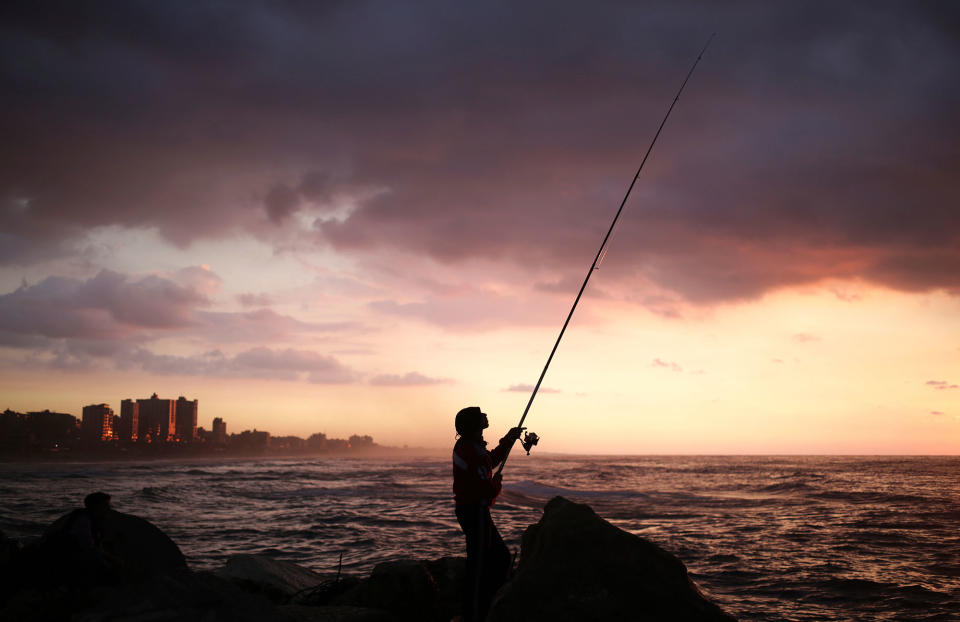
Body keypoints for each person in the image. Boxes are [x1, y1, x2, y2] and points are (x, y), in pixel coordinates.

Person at [452, 406, 523, 622]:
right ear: (475, 424)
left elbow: (490, 461)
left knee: (498, 558)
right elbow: (485, 486)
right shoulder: (471, 451)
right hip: (475, 511)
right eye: (481, 415)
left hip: (473, 510)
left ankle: (484, 606)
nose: (485, 416)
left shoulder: (469, 446)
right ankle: (476, 613)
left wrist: (508, 440)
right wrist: (497, 484)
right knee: (482, 564)